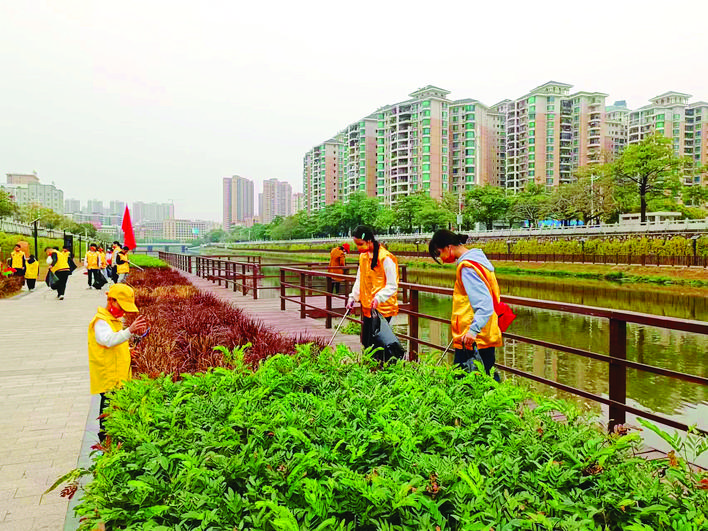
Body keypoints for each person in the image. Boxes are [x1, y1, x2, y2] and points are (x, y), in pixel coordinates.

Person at [428, 229, 503, 380]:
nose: (442, 259)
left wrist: (473, 330)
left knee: (468, 386)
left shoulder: (467, 268)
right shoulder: (478, 261)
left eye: (439, 253)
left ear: (449, 247)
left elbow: (483, 303)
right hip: (483, 333)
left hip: (472, 338)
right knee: (485, 379)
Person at [88, 284, 148, 441]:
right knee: (108, 413)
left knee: (116, 409)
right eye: (121, 306)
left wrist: (127, 351)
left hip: (117, 376)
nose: (123, 312)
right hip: (109, 378)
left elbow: (115, 343)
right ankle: (105, 443)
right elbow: (107, 340)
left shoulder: (113, 320)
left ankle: (113, 440)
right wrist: (130, 331)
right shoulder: (101, 321)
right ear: (111, 300)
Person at [346, 226, 399, 353]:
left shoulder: (385, 258)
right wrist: (352, 297)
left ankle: (381, 368)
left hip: (382, 308)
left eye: (360, 244)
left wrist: (379, 298)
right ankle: (372, 368)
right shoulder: (363, 257)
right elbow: (360, 279)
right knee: (367, 341)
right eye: (356, 245)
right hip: (368, 307)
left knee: (378, 344)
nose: (358, 248)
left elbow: (392, 284)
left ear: (369, 241)